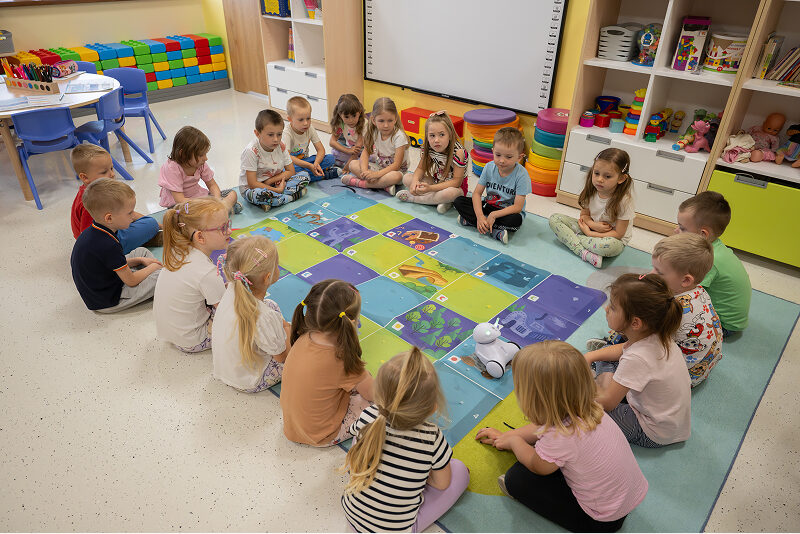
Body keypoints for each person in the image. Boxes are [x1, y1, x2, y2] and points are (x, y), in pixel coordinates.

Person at [475, 341, 648, 533]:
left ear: (533, 398)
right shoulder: (589, 407)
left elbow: (538, 465)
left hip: (601, 520)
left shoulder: (559, 436)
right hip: (626, 497)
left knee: (517, 478)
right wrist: (509, 435)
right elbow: (543, 428)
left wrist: (515, 442)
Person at [342, 347, 469, 533]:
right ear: (432, 407)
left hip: (351, 513)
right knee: (459, 471)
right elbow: (441, 484)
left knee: (363, 436)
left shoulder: (369, 414)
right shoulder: (431, 436)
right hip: (392, 530)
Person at [589, 233, 723, 388]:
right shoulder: (699, 291)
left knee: (626, 330)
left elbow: (640, 343)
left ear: (686, 280)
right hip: (702, 368)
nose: (650, 274)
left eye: (659, 272)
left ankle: (605, 357)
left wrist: (596, 355)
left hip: (681, 380)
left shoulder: (669, 309)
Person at [584, 274, 691, 448]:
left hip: (651, 431)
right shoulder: (658, 335)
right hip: (670, 421)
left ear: (635, 323)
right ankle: (603, 382)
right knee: (604, 356)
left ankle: (601, 383)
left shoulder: (638, 357)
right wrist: (589, 356)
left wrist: (583, 387)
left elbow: (609, 404)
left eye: (612, 307)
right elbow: (623, 349)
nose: (606, 310)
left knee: (584, 410)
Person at [280, 279, 373, 447]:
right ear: (351, 323)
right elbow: (375, 394)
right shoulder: (342, 359)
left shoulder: (303, 335)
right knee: (377, 407)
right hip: (321, 435)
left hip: (292, 427)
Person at [70, 178, 162, 313]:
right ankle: (148, 277)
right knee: (161, 275)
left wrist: (140, 260)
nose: (133, 216)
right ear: (109, 218)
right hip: (109, 300)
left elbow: (107, 264)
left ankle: (143, 270)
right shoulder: (108, 244)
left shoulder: (97, 231)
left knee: (141, 252)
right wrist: (153, 267)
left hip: (103, 284)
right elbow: (130, 281)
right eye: (129, 213)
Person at [212, 235, 290, 392]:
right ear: (268, 277)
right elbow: (281, 357)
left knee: (271, 308)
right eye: (277, 265)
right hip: (250, 381)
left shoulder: (231, 289)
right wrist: (287, 329)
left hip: (224, 371)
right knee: (302, 349)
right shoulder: (264, 316)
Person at [153, 198, 230, 353]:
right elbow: (226, 311)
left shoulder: (178, 252)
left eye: (228, 224)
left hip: (172, 333)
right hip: (193, 340)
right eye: (223, 228)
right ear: (200, 237)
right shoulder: (206, 272)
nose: (229, 231)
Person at [675, 191, 751, 336]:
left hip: (724, 324)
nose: (676, 230)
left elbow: (686, 292)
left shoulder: (710, 260)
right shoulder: (713, 247)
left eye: (682, 228)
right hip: (732, 320)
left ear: (703, 234)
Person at [548, 148, 635, 268]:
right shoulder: (591, 189)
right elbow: (584, 215)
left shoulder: (624, 201)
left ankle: (573, 241)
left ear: (621, 178)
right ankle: (584, 252)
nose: (599, 179)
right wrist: (593, 226)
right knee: (555, 219)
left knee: (609, 246)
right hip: (590, 228)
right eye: (596, 173)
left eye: (608, 176)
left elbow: (619, 234)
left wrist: (590, 233)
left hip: (611, 238)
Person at [70, 143, 161, 253]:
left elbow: (129, 213)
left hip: (109, 231)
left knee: (146, 222)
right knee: (150, 224)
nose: (112, 174)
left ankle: (142, 238)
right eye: (104, 172)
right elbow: (91, 240)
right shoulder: (90, 204)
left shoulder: (97, 191)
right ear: (85, 177)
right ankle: (142, 241)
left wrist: (160, 225)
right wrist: (155, 225)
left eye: (112, 168)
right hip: (105, 245)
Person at [453, 127, 531, 244]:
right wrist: (479, 216)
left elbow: (517, 207)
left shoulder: (522, 175)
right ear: (493, 151)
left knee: (516, 221)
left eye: (508, 157)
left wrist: (494, 215)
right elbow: (477, 194)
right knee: (459, 201)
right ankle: (491, 228)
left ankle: (472, 222)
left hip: (507, 212)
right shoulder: (489, 167)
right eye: (498, 155)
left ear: (519, 157)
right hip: (488, 206)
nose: (502, 160)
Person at [239, 109, 309, 211]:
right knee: (258, 194)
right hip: (252, 189)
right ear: (257, 133)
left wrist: (271, 181)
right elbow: (252, 183)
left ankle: (274, 200)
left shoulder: (281, 146)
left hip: (273, 182)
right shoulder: (251, 151)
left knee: (305, 176)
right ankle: (289, 197)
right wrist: (277, 190)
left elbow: (291, 171)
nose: (276, 139)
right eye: (270, 135)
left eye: (279, 134)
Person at [158, 125, 240, 213]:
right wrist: (203, 203)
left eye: (205, 154)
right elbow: (179, 199)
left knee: (232, 194)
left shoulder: (200, 163)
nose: (205, 158)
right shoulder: (172, 168)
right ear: (183, 154)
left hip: (200, 198)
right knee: (180, 214)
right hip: (181, 204)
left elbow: (212, 184)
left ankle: (216, 212)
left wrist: (217, 200)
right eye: (201, 155)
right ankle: (220, 211)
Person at [397, 110, 466, 214]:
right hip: (436, 181)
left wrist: (430, 188)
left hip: (456, 188)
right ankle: (438, 201)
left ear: (450, 135)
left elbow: (456, 182)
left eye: (441, 135)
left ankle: (415, 199)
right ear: (427, 136)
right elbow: (420, 168)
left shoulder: (459, 152)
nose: (436, 140)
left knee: (450, 193)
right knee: (407, 178)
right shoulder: (428, 148)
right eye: (432, 136)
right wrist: (415, 182)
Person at [341, 97, 408, 195]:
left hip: (395, 171)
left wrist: (376, 175)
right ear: (373, 120)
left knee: (396, 177)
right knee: (353, 164)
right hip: (379, 167)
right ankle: (383, 186)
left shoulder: (399, 136)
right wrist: (365, 171)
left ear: (396, 119)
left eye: (390, 120)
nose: (386, 125)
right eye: (381, 121)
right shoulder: (373, 132)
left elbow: (396, 165)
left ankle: (360, 183)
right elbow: (365, 152)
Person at [282, 96, 339, 181]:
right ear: (290, 119)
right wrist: (309, 166)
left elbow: (321, 150)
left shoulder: (310, 128)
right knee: (288, 171)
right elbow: (288, 157)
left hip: (306, 161)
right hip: (291, 164)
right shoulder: (287, 133)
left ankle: (306, 176)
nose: (306, 123)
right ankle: (323, 175)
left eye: (308, 118)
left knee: (331, 158)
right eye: (301, 120)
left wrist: (316, 163)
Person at [329, 93, 366, 168]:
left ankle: (355, 163)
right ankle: (356, 163)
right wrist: (348, 150)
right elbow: (332, 142)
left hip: (364, 151)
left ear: (360, 112)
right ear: (340, 114)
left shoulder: (364, 123)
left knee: (372, 157)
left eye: (354, 116)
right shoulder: (341, 124)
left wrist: (348, 165)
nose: (351, 120)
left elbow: (358, 148)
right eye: (346, 117)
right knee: (334, 153)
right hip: (351, 150)